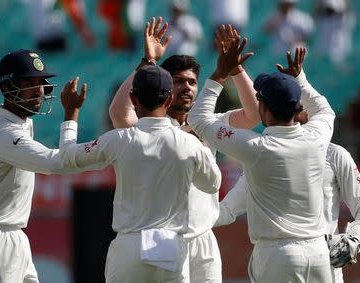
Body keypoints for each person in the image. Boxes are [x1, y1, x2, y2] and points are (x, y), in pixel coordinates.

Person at [109, 19, 259, 283]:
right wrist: (148, 62)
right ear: (165, 87)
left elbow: (253, 115)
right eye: (178, 81)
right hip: (164, 238)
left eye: (192, 82)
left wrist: (235, 70)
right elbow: (119, 113)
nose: (187, 88)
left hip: (203, 239)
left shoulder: (209, 124)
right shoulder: (148, 129)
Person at [58, 64, 222, 283]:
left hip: (130, 246)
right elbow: (213, 184)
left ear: (133, 99)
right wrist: (201, 148)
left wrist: (71, 113)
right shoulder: (189, 143)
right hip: (172, 248)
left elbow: (67, 157)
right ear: (169, 100)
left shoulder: (119, 139)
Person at [188, 44, 335, 281]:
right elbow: (324, 110)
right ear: (297, 108)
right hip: (319, 253)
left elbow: (197, 119)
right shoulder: (317, 136)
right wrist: (301, 80)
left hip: (279, 257)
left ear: (264, 108)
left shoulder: (256, 147)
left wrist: (220, 73)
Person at [0, 50, 84, 282]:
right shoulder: (4, 132)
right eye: (29, 82)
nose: (39, 90)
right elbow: (56, 163)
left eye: (41, 82)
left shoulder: (6, 123)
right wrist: (71, 115)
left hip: (9, 235)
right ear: (7, 87)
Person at [216, 111, 360, 283]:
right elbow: (227, 209)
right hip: (288, 259)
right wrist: (190, 219)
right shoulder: (263, 156)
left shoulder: (334, 154)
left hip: (318, 259)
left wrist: (355, 237)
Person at [314, 0, 355, 64]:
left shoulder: (345, 20)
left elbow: (348, 12)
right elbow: (316, 12)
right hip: (323, 51)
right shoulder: (321, 19)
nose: (332, 13)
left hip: (341, 50)